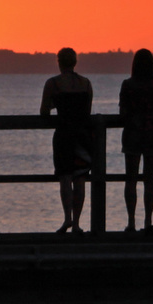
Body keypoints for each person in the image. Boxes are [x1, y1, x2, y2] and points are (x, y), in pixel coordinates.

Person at [39, 47, 94, 234]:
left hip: (63, 135)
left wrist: (56, 104)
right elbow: (86, 112)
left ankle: (67, 219)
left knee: (65, 178)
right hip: (82, 136)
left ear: (59, 62)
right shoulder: (86, 84)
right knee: (80, 178)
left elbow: (44, 112)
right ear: (75, 62)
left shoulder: (53, 84)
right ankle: (77, 223)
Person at [119, 49, 153, 232]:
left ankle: (131, 221)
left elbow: (122, 113)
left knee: (130, 180)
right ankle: (148, 221)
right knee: (150, 179)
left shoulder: (127, 85)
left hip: (132, 133)